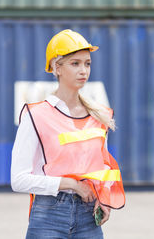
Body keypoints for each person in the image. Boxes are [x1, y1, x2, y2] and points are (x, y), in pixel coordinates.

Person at [11, 29, 125, 238]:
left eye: (87, 63)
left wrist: (103, 196)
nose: (84, 70)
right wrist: (70, 184)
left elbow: (102, 168)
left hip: (88, 214)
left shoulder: (99, 116)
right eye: (75, 63)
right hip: (48, 215)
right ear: (57, 67)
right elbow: (18, 179)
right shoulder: (36, 115)